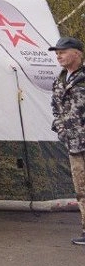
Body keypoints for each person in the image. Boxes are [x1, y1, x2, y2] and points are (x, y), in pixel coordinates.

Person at [49, 36, 85, 245]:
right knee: (81, 189)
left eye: (62, 52)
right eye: (57, 53)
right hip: (74, 144)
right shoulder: (60, 80)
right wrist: (61, 130)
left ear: (77, 53)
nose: (58, 55)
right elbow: (56, 109)